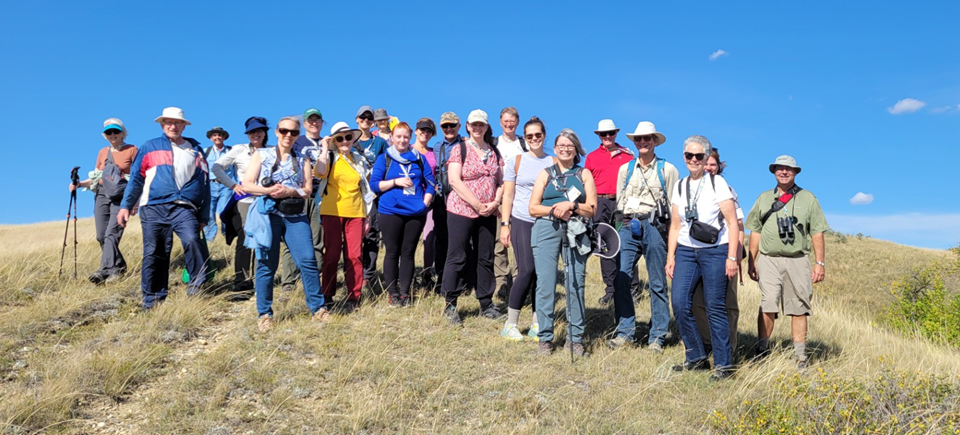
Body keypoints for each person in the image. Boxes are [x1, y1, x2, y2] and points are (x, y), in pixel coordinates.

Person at [241, 116, 328, 332]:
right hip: (268, 213)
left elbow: (308, 190)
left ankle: (318, 309)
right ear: (277, 132)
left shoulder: (303, 158)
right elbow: (247, 184)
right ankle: (264, 314)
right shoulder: (262, 154)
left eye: (294, 132)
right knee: (267, 264)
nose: (288, 135)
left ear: (298, 135)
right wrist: (269, 190)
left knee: (307, 259)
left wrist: (290, 191)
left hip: (294, 214)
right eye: (284, 131)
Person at [117, 107, 210, 309]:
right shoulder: (149, 147)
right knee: (154, 252)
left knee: (192, 241)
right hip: (153, 207)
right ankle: (152, 300)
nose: (172, 126)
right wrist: (125, 205)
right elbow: (135, 179)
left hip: (184, 207)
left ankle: (196, 288)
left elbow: (205, 185)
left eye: (177, 122)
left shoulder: (196, 150)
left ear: (184, 125)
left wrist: (204, 215)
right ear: (162, 125)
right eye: (168, 122)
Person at [665, 135, 739, 380]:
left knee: (715, 306)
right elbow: (675, 225)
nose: (694, 160)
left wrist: (732, 257)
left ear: (707, 158)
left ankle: (724, 364)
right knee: (678, 302)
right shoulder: (679, 186)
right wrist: (671, 256)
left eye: (699, 156)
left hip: (715, 250)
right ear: (684, 157)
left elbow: (732, 222)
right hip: (686, 250)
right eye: (689, 155)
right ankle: (696, 356)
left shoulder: (717, 184)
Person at [745, 155, 828, 368]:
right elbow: (756, 231)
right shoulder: (764, 198)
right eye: (780, 169)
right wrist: (751, 261)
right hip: (769, 259)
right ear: (774, 171)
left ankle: (800, 357)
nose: (784, 172)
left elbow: (817, 231)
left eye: (788, 169)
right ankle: (762, 350)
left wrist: (820, 263)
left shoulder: (808, 198)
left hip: (798, 259)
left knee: (798, 307)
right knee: (768, 302)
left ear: (796, 172)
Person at [608, 121, 679, 352]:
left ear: (655, 141)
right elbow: (620, 200)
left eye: (647, 138)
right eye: (639, 139)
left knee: (657, 282)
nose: (642, 142)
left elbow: (673, 205)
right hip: (629, 224)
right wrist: (621, 227)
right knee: (621, 278)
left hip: (655, 225)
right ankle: (625, 332)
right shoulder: (625, 170)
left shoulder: (668, 170)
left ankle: (657, 335)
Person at [528, 128, 597, 356]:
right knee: (546, 284)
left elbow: (592, 208)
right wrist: (556, 209)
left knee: (576, 282)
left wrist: (573, 206)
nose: (565, 149)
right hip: (547, 227)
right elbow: (533, 208)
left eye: (570, 145)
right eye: (561, 146)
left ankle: (575, 339)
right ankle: (545, 339)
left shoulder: (584, 174)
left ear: (576, 149)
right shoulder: (545, 173)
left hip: (576, 230)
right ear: (555, 149)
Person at [440, 109, 504, 325]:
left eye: (481, 125)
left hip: (488, 211)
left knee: (485, 257)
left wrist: (495, 202)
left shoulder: (494, 151)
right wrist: (477, 204)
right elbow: (455, 181)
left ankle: (486, 303)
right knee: (457, 255)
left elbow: (501, 182)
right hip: (461, 210)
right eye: (474, 124)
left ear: (487, 127)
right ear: (467, 126)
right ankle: (450, 305)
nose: (478, 128)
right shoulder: (460, 149)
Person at [498, 116, 554, 341]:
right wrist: (505, 225)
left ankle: (537, 323)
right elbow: (508, 194)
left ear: (544, 135)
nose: (534, 139)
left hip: (547, 222)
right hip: (522, 219)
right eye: (529, 136)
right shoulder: (517, 161)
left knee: (543, 274)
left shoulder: (553, 161)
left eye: (538, 135)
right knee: (527, 270)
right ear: (525, 137)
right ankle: (510, 323)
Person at [370, 122, 437, 306]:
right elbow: (374, 185)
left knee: (408, 253)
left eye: (405, 137)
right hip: (390, 211)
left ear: (410, 138)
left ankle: (405, 293)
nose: (402, 140)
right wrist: (395, 182)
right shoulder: (384, 158)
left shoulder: (419, 159)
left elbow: (431, 183)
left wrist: (425, 203)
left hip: (415, 212)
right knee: (392, 252)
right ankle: (393, 294)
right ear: (392, 137)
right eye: (398, 136)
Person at [316, 122, 375, 313]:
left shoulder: (359, 159)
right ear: (334, 140)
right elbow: (320, 172)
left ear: (353, 139)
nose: (344, 141)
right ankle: (327, 294)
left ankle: (354, 296)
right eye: (339, 138)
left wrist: (367, 215)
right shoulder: (330, 156)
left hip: (356, 212)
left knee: (354, 256)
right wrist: (324, 149)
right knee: (331, 254)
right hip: (332, 211)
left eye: (348, 137)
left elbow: (366, 188)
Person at [70, 118, 137, 284]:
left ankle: (104, 270)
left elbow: (138, 178)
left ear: (123, 133)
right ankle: (118, 266)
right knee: (101, 235)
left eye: (116, 131)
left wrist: (135, 202)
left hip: (121, 197)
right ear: (105, 135)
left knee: (111, 234)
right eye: (109, 132)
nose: (113, 135)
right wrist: (78, 184)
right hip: (101, 194)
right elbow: (96, 177)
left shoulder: (132, 150)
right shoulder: (102, 152)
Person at [692, 149, 744, 357]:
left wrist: (736, 254)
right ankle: (707, 344)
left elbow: (738, 225)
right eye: (706, 164)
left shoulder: (727, 189)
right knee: (697, 302)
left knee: (727, 303)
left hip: (723, 251)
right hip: (696, 252)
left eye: (712, 164)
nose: (708, 168)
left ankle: (728, 348)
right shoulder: (691, 189)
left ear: (719, 166)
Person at [212, 116, 269, 291]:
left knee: (266, 240)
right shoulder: (239, 150)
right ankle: (242, 281)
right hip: (245, 200)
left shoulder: (272, 151)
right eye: (251, 131)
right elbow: (216, 167)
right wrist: (233, 185)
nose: (255, 134)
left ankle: (263, 279)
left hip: (266, 200)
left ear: (265, 132)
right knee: (246, 238)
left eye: (259, 130)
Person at [584, 119, 635, 305]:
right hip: (600, 202)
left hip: (622, 203)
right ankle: (611, 289)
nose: (607, 137)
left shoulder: (628, 156)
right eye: (603, 134)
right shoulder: (591, 157)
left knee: (627, 242)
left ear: (616, 134)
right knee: (604, 246)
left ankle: (632, 287)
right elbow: (586, 183)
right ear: (598, 135)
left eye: (611, 133)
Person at [277, 108, 325, 293]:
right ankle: (288, 282)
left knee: (317, 240)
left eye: (317, 120)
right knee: (292, 239)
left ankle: (313, 283)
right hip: (297, 195)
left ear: (322, 123)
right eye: (310, 120)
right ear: (304, 124)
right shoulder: (297, 140)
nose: (314, 123)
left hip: (320, 195)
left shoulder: (327, 142)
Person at [431, 111, 470, 295]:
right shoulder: (437, 147)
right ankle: (442, 280)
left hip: (462, 199)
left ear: (459, 127)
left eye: (452, 126)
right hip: (442, 200)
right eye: (445, 126)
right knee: (441, 242)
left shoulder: (466, 145)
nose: (448, 129)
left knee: (462, 243)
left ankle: (463, 281)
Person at [491, 107, 525, 301]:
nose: (509, 123)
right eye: (505, 120)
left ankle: (520, 278)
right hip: (500, 194)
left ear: (517, 122)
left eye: (512, 120)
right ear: (500, 122)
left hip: (521, 195)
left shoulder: (523, 144)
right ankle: (501, 280)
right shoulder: (494, 143)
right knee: (499, 240)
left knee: (520, 238)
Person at [356, 106, 389, 292]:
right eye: (363, 117)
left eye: (369, 118)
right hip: (353, 194)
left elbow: (387, 163)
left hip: (373, 194)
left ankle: (368, 276)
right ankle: (353, 272)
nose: (366, 120)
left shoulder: (380, 143)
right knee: (353, 235)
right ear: (357, 119)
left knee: (372, 234)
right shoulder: (349, 140)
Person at [412, 118, 440, 287]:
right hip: (410, 199)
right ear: (416, 131)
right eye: (422, 130)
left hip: (430, 200)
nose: (425, 133)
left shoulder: (432, 152)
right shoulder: (407, 150)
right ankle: (407, 274)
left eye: (428, 131)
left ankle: (427, 274)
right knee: (410, 239)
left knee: (429, 238)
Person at [203, 126, 234, 242]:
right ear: (211, 138)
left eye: (220, 135)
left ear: (224, 137)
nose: (217, 137)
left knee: (223, 212)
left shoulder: (231, 151)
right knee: (209, 213)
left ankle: (226, 237)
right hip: (210, 185)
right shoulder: (206, 152)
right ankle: (209, 240)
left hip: (226, 186)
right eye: (215, 135)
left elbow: (236, 170)